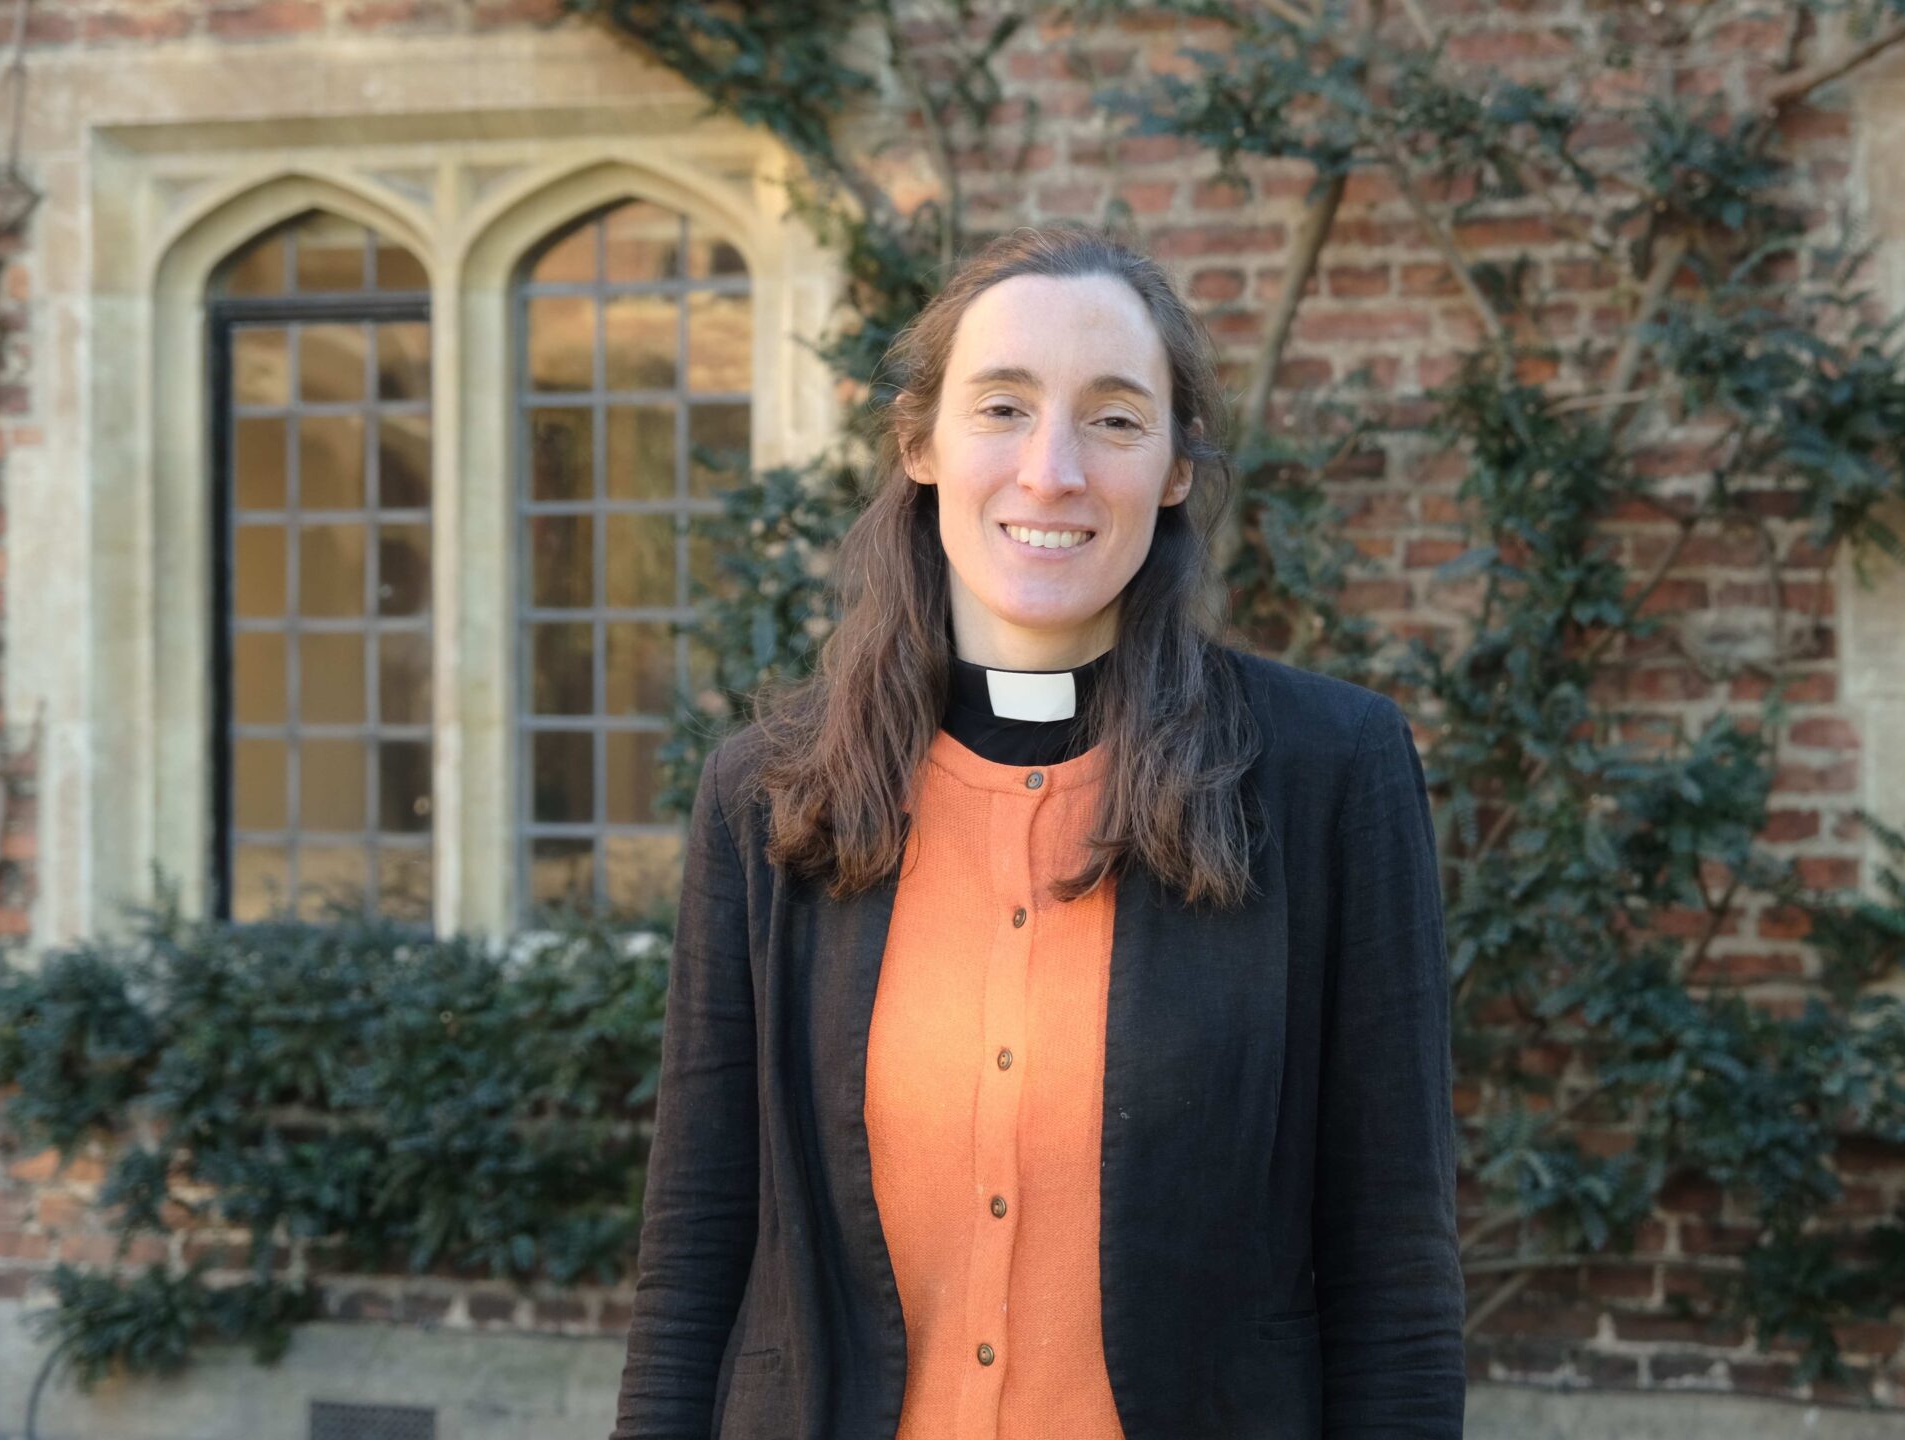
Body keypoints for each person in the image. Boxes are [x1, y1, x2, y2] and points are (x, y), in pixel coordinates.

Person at [608, 223, 1462, 1440]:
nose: (1051, 470)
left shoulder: (1328, 774)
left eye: (1113, 419)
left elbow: (1395, 1267)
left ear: (1175, 468)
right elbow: (694, 1248)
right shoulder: (770, 796)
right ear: (919, 445)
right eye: (1002, 408)